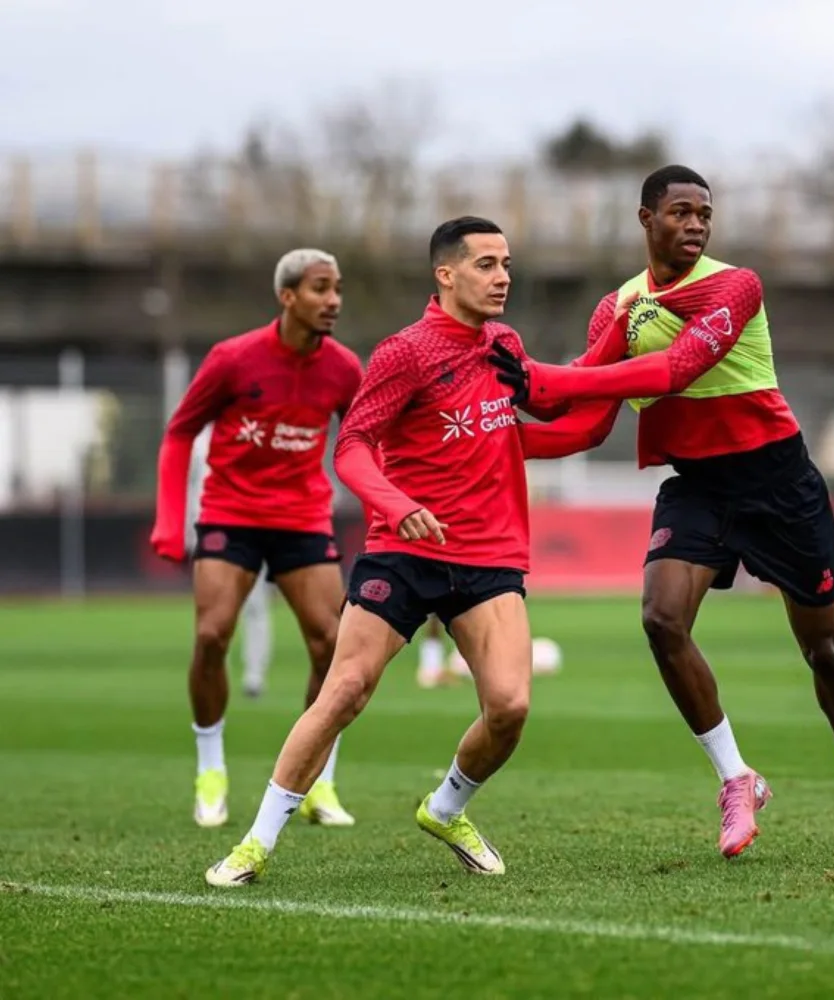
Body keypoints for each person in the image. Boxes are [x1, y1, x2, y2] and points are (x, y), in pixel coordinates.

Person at [489, 165, 834, 859]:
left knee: (824, 652)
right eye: (680, 212)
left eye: (704, 214)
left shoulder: (732, 286)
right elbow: (580, 417)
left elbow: (673, 371)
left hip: (780, 485)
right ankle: (736, 779)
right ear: (646, 219)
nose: (696, 225)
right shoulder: (618, 307)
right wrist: (501, 431)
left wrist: (539, 375)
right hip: (700, 486)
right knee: (660, 619)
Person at [205, 216, 552, 886]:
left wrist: (630, 389)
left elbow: (544, 426)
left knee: (509, 707)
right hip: (403, 549)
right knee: (345, 690)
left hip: (485, 558)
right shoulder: (405, 352)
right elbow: (354, 448)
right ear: (445, 274)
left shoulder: (505, 345)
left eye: (506, 262)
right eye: (486, 264)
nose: (503, 276)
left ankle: (446, 807)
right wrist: (397, 505)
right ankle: (255, 842)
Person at [151, 248, 360, 831]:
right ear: (288, 297)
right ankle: (211, 769)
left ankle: (318, 781)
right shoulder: (232, 359)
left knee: (331, 644)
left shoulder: (344, 368)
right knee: (213, 633)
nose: (334, 300)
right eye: (321, 288)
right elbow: (179, 432)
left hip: (302, 517)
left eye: (338, 288)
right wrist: (170, 521)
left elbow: (365, 441)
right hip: (231, 513)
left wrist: (386, 507)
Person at [188, 426, 274, 699]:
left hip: (254, 530)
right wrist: (190, 533)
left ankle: (254, 675)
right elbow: (190, 491)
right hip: (213, 533)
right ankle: (215, 672)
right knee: (215, 611)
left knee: (256, 606)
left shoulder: (256, 434)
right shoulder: (199, 442)